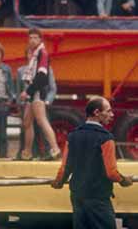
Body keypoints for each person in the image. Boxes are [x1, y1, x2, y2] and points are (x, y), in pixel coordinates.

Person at [52, 97, 133, 229]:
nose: (112, 115)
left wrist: (59, 182)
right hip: (98, 198)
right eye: (108, 111)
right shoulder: (106, 138)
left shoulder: (72, 136)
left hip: (78, 196)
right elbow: (111, 172)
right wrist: (124, 181)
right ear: (97, 112)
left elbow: (66, 167)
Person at [19, 29, 60, 160]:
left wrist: (28, 91)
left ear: (40, 40)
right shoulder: (36, 55)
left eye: (35, 38)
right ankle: (27, 152)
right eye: (30, 37)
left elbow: (42, 77)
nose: (32, 40)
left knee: (41, 121)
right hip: (34, 93)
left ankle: (55, 149)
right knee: (27, 122)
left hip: (37, 93)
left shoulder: (42, 54)